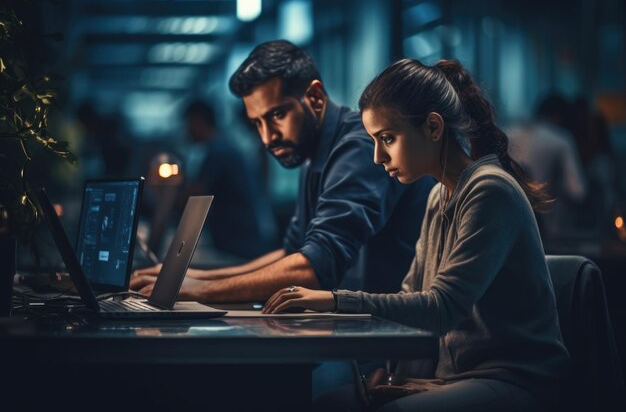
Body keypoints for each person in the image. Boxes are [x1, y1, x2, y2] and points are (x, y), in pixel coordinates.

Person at [263, 59, 570, 411]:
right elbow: (412, 292)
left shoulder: (490, 190)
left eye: (387, 139)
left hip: (517, 380)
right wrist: (391, 373)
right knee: (331, 403)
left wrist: (334, 299)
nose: (378, 156)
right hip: (459, 378)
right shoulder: (440, 193)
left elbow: (441, 307)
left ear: (433, 127)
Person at [130, 40, 435, 304]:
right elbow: (293, 253)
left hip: (394, 340)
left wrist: (201, 290)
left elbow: (313, 268)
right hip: (362, 332)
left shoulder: (357, 148)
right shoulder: (311, 153)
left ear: (314, 98)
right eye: (257, 123)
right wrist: (190, 276)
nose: (267, 138)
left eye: (277, 115)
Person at [179, 99, 278, 259]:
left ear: (198, 121)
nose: (186, 130)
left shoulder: (218, 152)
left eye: (188, 123)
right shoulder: (224, 146)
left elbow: (195, 196)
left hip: (239, 242)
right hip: (242, 238)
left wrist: (167, 194)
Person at [507, 94, 587, 246]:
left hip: (508, 228)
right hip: (548, 232)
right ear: (559, 118)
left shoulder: (507, 133)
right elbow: (577, 191)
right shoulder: (561, 139)